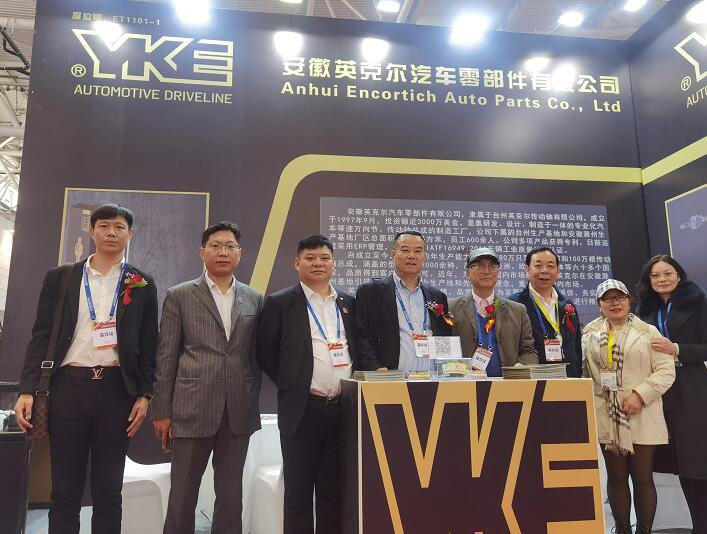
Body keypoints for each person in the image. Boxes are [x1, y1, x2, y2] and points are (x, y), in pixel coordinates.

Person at [14, 204, 158, 534]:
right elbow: (41, 336)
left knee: (109, 490)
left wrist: (146, 394)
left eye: (119, 227)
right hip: (68, 388)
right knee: (65, 490)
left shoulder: (141, 283)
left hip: (117, 391)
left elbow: (150, 344)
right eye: (103, 226)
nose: (111, 232)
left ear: (130, 234)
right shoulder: (61, 277)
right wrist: (26, 389)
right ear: (91, 231)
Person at [152, 222, 263, 534]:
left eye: (230, 246)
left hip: (237, 411)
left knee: (231, 494)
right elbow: (166, 356)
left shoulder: (254, 298)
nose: (223, 252)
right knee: (183, 493)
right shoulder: (180, 295)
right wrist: (162, 411)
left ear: (240, 254)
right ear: (202, 252)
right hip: (192, 408)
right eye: (215, 246)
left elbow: (256, 357)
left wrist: (249, 394)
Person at [257, 235, 363, 534]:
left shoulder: (348, 303)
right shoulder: (280, 302)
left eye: (324, 258)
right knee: (298, 493)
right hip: (302, 410)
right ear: (297, 263)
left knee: (334, 493)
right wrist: (292, 383)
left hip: (343, 410)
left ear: (333, 263)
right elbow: (265, 352)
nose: (318, 263)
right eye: (310, 258)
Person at [582, 279, 675, 534]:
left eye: (619, 297)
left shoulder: (648, 331)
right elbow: (586, 373)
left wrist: (639, 395)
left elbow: (666, 371)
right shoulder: (589, 334)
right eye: (608, 298)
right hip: (607, 414)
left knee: (642, 477)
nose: (614, 303)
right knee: (616, 477)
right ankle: (622, 529)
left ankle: (644, 530)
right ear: (599, 304)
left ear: (628, 300)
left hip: (641, 412)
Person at [635, 255, 707, 532]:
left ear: (679, 275)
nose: (662, 279)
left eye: (668, 273)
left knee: (696, 464)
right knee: (673, 465)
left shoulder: (699, 303)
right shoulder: (644, 309)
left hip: (691, 389)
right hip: (656, 390)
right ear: (648, 280)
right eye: (655, 275)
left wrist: (676, 349)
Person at [355, 230, 453, 372]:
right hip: (389, 378)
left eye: (418, 251)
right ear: (393, 255)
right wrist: (374, 367)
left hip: (432, 378)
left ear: (424, 256)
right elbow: (361, 335)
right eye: (405, 250)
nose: (412, 256)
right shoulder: (371, 292)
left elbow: (443, 338)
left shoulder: (437, 296)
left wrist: (446, 370)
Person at [449, 247, 538, 376]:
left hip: (506, 384)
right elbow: (443, 350)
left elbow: (529, 351)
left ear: (498, 272)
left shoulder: (517, 311)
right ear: (467, 272)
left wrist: (522, 366)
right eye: (479, 266)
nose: (486, 271)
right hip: (464, 383)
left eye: (492, 266)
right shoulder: (451, 308)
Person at [508, 247, 582, 377]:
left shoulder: (568, 305)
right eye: (538, 265)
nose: (544, 271)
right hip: (534, 379)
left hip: (569, 378)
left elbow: (576, 347)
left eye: (550, 266)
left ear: (558, 271)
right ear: (527, 270)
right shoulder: (514, 304)